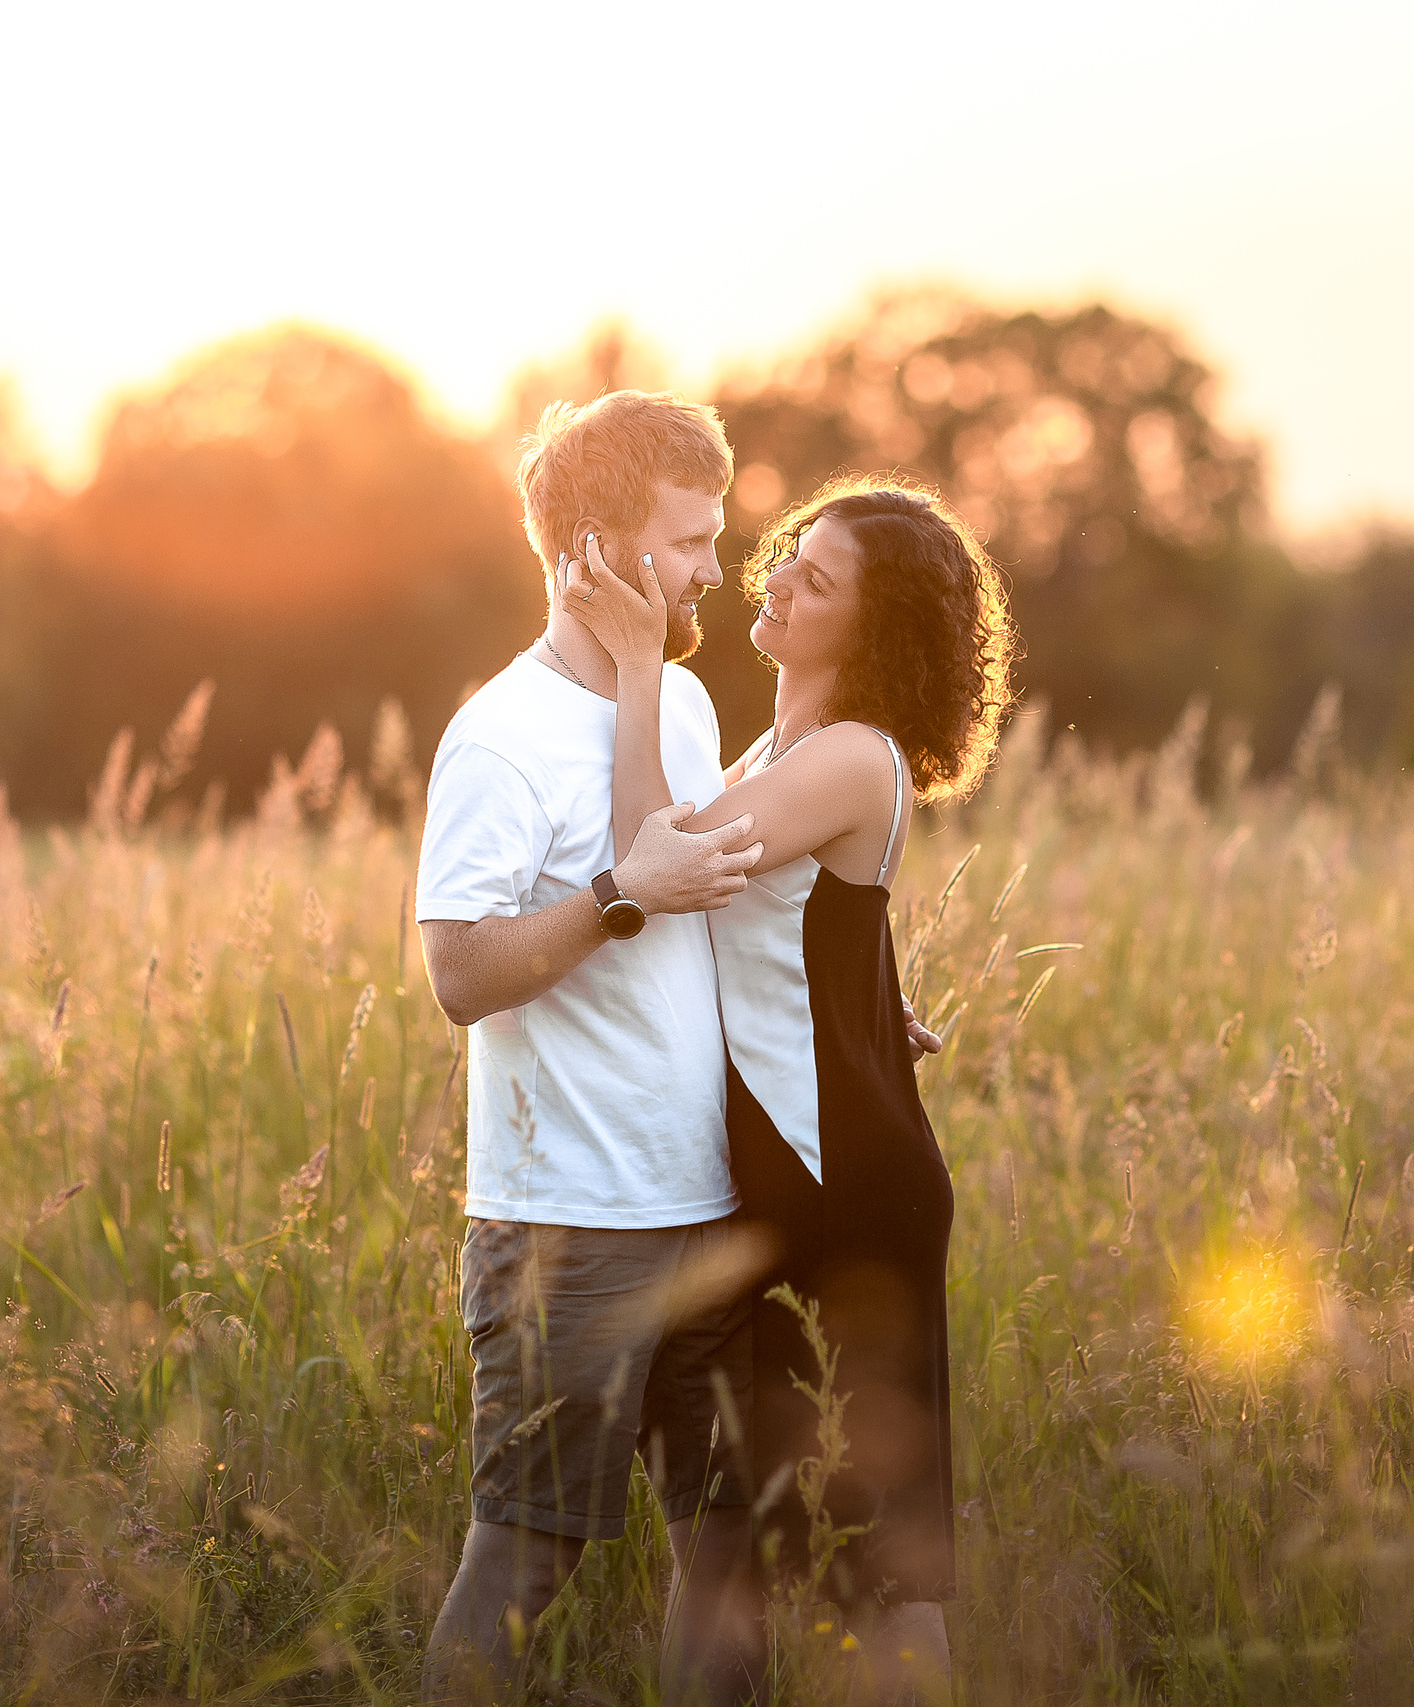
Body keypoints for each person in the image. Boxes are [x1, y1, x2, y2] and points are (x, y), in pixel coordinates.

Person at [561, 476, 1015, 1700]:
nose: (778, 584)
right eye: (789, 558)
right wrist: (876, 1005)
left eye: (817, 582)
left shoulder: (856, 758)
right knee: (743, 1539)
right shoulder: (780, 752)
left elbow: (659, 868)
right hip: (781, 1183)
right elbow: (802, 934)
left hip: (841, 1196)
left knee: (877, 1564)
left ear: (869, 633)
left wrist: (641, 665)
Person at [415, 390, 770, 1705]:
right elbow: (458, 972)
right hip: (567, 1225)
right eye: (689, 542)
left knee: (731, 1548)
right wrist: (617, 892)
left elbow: (703, 918)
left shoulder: (674, 703)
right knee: (526, 1558)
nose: (714, 571)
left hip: (706, 1208)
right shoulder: (498, 737)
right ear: (598, 550)